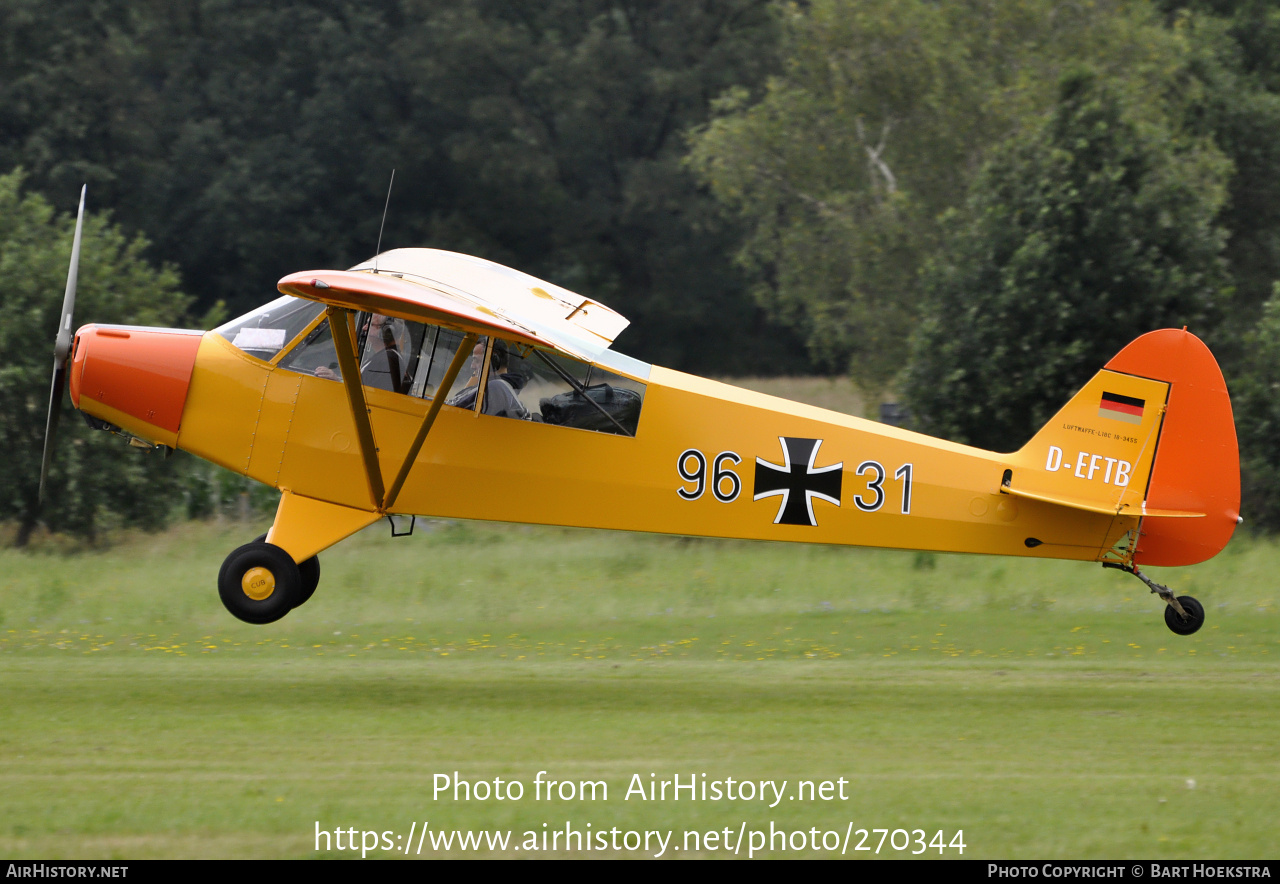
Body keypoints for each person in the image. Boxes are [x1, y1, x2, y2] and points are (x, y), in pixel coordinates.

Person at [447, 339, 530, 419]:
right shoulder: (493, 386)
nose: (472, 366)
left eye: (476, 360)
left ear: (493, 360)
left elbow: (456, 410)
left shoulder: (497, 387)